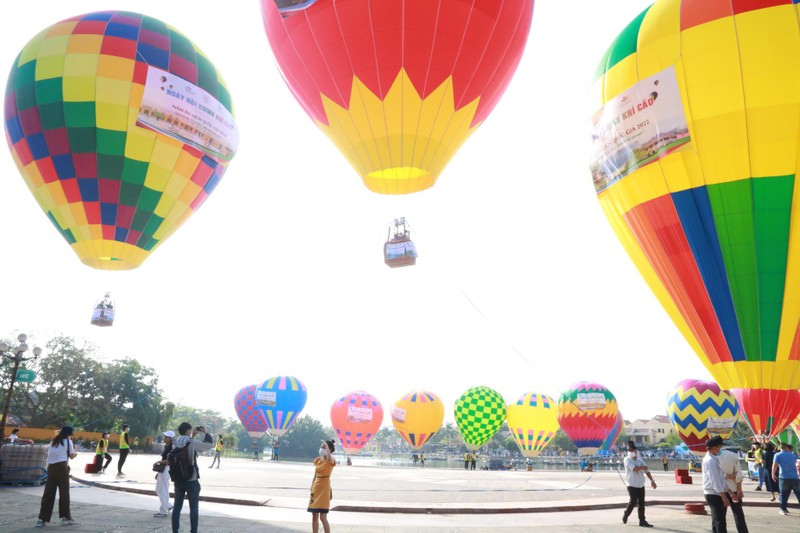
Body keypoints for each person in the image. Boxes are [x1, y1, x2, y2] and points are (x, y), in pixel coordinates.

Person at [171, 422, 214, 533]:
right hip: (191, 478)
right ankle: (193, 531)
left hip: (178, 479)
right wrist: (205, 433)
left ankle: (175, 531)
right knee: (193, 508)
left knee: (177, 508)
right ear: (187, 431)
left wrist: (192, 436)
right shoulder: (192, 442)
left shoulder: (174, 442)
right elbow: (208, 445)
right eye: (190, 430)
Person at [35, 426, 78, 527]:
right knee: (64, 493)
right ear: (69, 434)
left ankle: (42, 519)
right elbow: (72, 456)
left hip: (51, 469)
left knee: (48, 493)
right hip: (62, 468)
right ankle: (65, 517)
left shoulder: (53, 442)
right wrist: (76, 450)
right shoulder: (68, 442)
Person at [703, 436, 737, 533]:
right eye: (720, 447)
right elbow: (715, 480)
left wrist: (730, 492)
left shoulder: (714, 459)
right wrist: (723, 496)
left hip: (716, 492)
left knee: (716, 521)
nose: (720, 450)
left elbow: (721, 478)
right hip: (714, 493)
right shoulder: (710, 461)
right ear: (714, 447)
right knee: (720, 521)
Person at [622, 441, 655, 527]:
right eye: (629, 450)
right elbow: (635, 469)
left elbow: (647, 471)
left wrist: (652, 481)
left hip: (640, 484)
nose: (630, 452)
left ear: (636, 451)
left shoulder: (640, 460)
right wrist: (643, 467)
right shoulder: (627, 459)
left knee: (641, 503)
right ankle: (626, 514)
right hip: (631, 484)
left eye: (632, 450)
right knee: (633, 501)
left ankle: (642, 520)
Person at [717, 444, 748, 532]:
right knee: (738, 515)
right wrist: (739, 489)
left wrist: (726, 476)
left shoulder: (714, 456)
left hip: (721, 489)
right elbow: (739, 475)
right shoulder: (733, 455)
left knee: (720, 517)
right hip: (734, 488)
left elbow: (716, 474)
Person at [308, 438, 337, 533]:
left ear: (329, 450)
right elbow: (315, 475)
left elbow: (329, 457)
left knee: (323, 517)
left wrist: (327, 446)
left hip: (324, 490)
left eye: (324, 447)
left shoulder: (330, 461)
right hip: (315, 490)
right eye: (321, 447)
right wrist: (311, 487)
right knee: (314, 515)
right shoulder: (318, 460)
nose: (321, 449)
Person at [771, 441, 800, 516]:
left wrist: (773, 474)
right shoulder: (794, 455)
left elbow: (775, 465)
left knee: (783, 494)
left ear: (780, 447)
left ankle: (783, 509)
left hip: (784, 477)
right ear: (787, 447)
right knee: (798, 494)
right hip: (795, 478)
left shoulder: (777, 455)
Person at [154, 430, 174, 518]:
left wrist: (159, 461)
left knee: (163, 491)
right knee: (158, 490)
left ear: (170, 438)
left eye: (166, 436)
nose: (164, 438)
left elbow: (170, 460)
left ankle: (163, 511)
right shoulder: (167, 446)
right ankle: (168, 505)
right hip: (163, 470)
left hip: (167, 469)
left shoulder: (171, 447)